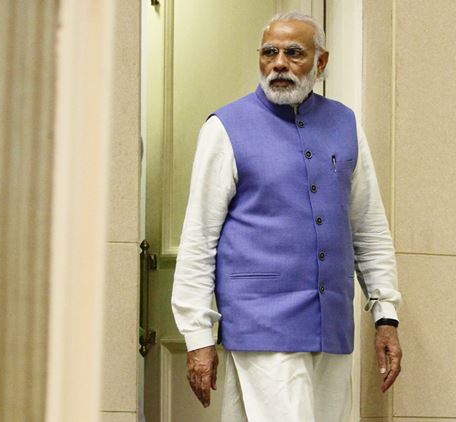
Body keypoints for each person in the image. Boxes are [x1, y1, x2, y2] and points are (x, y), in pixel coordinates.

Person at [171, 11, 402, 422]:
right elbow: (199, 239)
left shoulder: (345, 124)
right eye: (269, 53)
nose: (279, 63)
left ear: (321, 62)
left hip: (331, 327)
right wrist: (197, 335)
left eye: (294, 53)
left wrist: (386, 314)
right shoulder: (225, 128)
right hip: (262, 325)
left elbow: (368, 229)